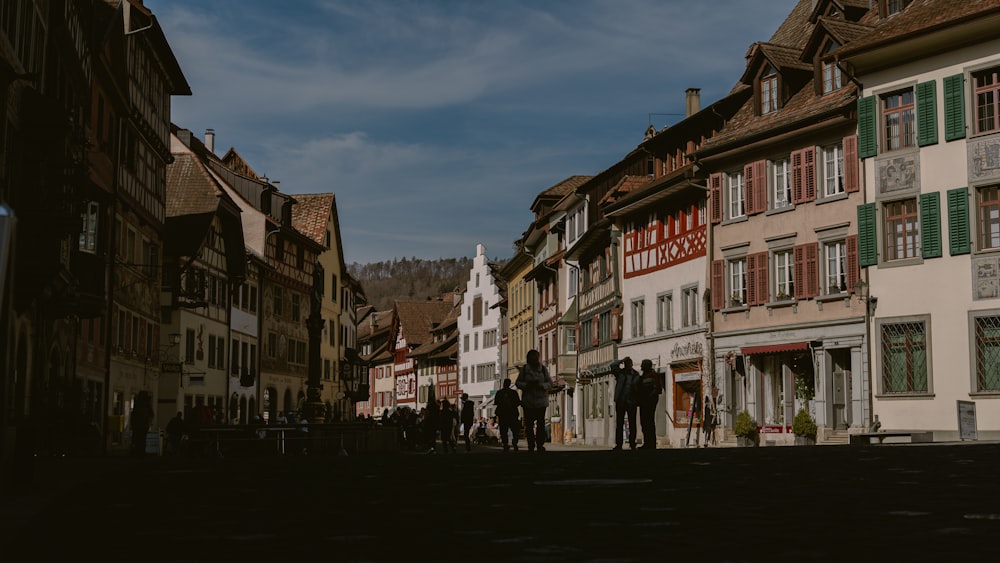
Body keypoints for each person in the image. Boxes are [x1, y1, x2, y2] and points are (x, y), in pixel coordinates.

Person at [515, 349, 552, 452]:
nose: (534, 359)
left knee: (540, 424)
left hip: (541, 401)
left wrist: (542, 386)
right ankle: (531, 444)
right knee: (529, 425)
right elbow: (518, 383)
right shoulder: (524, 370)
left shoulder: (543, 369)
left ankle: (540, 444)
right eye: (532, 357)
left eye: (536, 357)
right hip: (528, 401)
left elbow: (550, 383)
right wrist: (527, 385)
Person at [610, 357, 639, 451]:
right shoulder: (620, 373)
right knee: (619, 423)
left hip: (632, 401)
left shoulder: (635, 374)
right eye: (626, 363)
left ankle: (632, 443)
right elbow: (613, 366)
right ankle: (619, 444)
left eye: (629, 363)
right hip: (621, 401)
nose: (628, 365)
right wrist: (621, 360)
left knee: (632, 423)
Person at [636, 359, 663, 450]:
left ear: (647, 366)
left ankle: (651, 443)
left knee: (649, 422)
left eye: (643, 365)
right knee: (644, 423)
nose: (641, 367)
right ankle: (647, 442)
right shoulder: (642, 376)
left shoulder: (654, 376)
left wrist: (649, 396)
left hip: (650, 402)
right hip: (643, 402)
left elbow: (658, 389)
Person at [494, 378, 522, 452]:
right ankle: (514, 442)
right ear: (509, 384)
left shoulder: (499, 393)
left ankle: (505, 444)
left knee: (504, 430)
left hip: (503, 414)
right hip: (512, 413)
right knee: (514, 430)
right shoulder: (513, 392)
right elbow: (518, 403)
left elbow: (496, 402)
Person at [130, 391, 154, 457]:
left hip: (138, 425)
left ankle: (138, 451)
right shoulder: (146, 404)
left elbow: (133, 414)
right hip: (143, 425)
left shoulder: (138, 403)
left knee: (138, 439)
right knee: (142, 439)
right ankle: (140, 452)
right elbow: (151, 414)